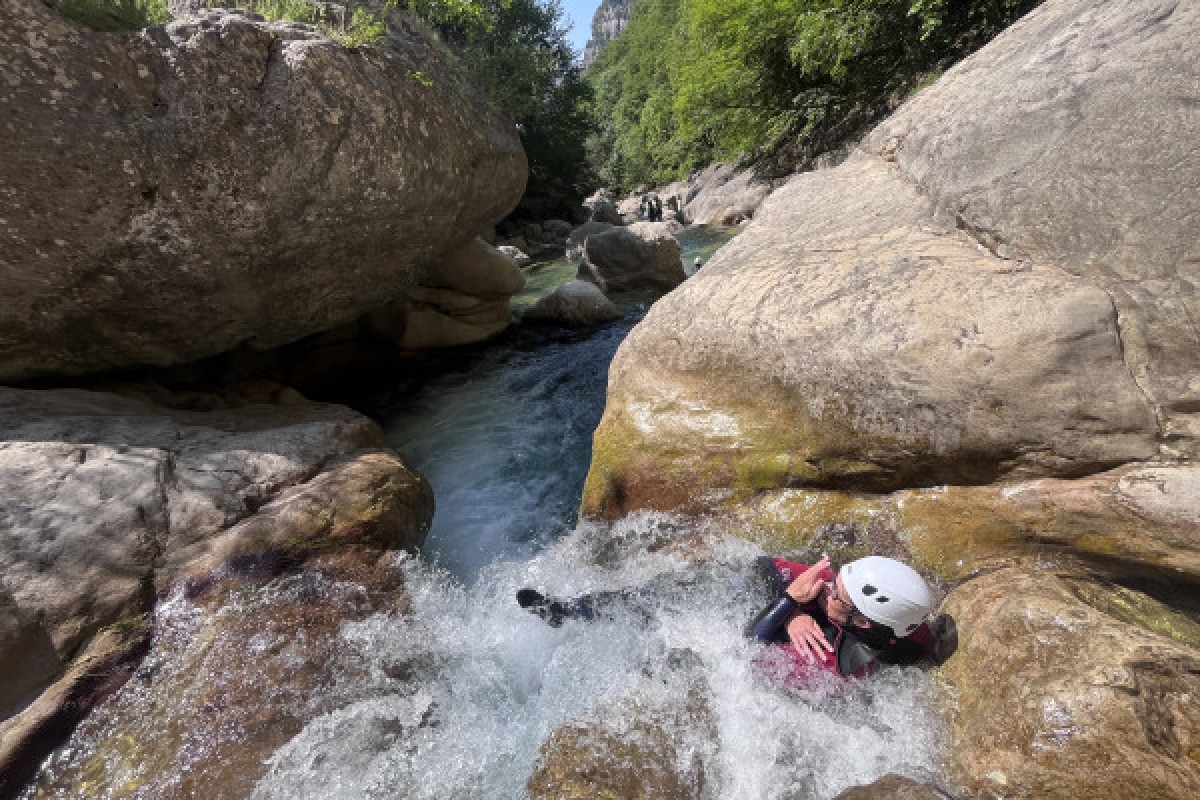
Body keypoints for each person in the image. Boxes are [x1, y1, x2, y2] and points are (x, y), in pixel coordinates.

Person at [517, 553, 953, 686]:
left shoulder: (830, 658)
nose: (824, 586)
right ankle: (569, 611)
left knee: (671, 666)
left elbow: (745, 652)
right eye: (834, 579)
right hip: (762, 607)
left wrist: (786, 606)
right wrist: (796, 609)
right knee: (663, 591)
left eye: (835, 594)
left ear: (861, 625)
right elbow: (765, 564)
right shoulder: (879, 613)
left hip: (733, 661)